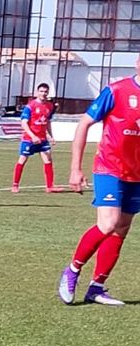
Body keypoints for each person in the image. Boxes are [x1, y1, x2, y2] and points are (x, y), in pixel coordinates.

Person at [59, 59, 140, 306]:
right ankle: (72, 270)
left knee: (121, 228)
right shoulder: (117, 90)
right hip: (109, 167)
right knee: (109, 223)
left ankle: (97, 287)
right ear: (138, 63)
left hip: (136, 174)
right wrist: (75, 168)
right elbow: (84, 124)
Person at [14, 83, 58, 193]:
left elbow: (47, 122)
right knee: (22, 160)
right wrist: (33, 136)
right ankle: (15, 185)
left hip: (42, 139)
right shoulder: (31, 106)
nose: (43, 93)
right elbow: (24, 123)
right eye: (41, 91)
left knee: (48, 159)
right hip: (29, 139)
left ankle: (49, 186)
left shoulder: (49, 106)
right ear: (37, 92)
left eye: (45, 91)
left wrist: (51, 136)